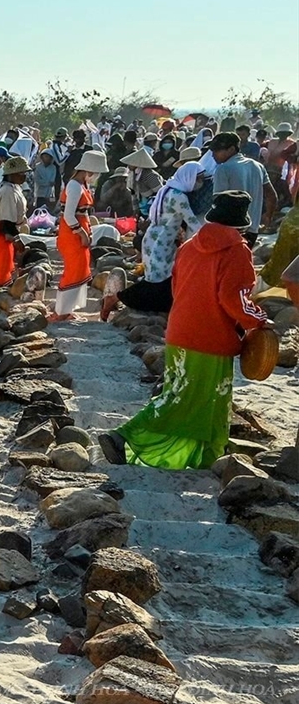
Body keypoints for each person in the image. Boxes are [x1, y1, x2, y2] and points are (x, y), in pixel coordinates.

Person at [100, 192, 270, 471]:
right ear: (240, 225)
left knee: (188, 395)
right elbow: (233, 298)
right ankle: (123, 437)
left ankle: (207, 460)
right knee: (193, 400)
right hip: (211, 338)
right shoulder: (237, 250)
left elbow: (176, 289)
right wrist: (259, 319)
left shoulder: (190, 246)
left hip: (180, 331)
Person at [104, 161, 207, 317]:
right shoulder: (179, 197)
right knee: (156, 284)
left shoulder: (167, 189)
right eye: (198, 179)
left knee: (160, 280)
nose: (200, 183)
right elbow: (193, 222)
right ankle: (117, 297)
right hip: (162, 242)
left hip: (154, 238)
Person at [53, 150, 106, 321]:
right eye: (96, 173)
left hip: (78, 231)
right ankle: (60, 312)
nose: (97, 176)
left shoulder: (83, 185)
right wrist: (81, 232)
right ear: (88, 170)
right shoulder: (74, 186)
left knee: (80, 268)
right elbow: (69, 215)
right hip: (72, 234)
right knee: (73, 270)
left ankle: (67, 309)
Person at [209, 132, 275, 244]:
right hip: (252, 229)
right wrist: (268, 215)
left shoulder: (223, 169)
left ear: (231, 149)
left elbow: (218, 201)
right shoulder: (258, 166)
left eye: (217, 151)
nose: (213, 155)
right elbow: (271, 195)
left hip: (231, 230)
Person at [0, 156, 31, 288]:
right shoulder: (7, 192)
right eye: (22, 173)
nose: (24, 176)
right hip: (3, 234)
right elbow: (7, 220)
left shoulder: (15, 188)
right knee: (3, 271)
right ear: (13, 174)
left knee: (8, 268)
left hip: (9, 234)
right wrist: (16, 239)